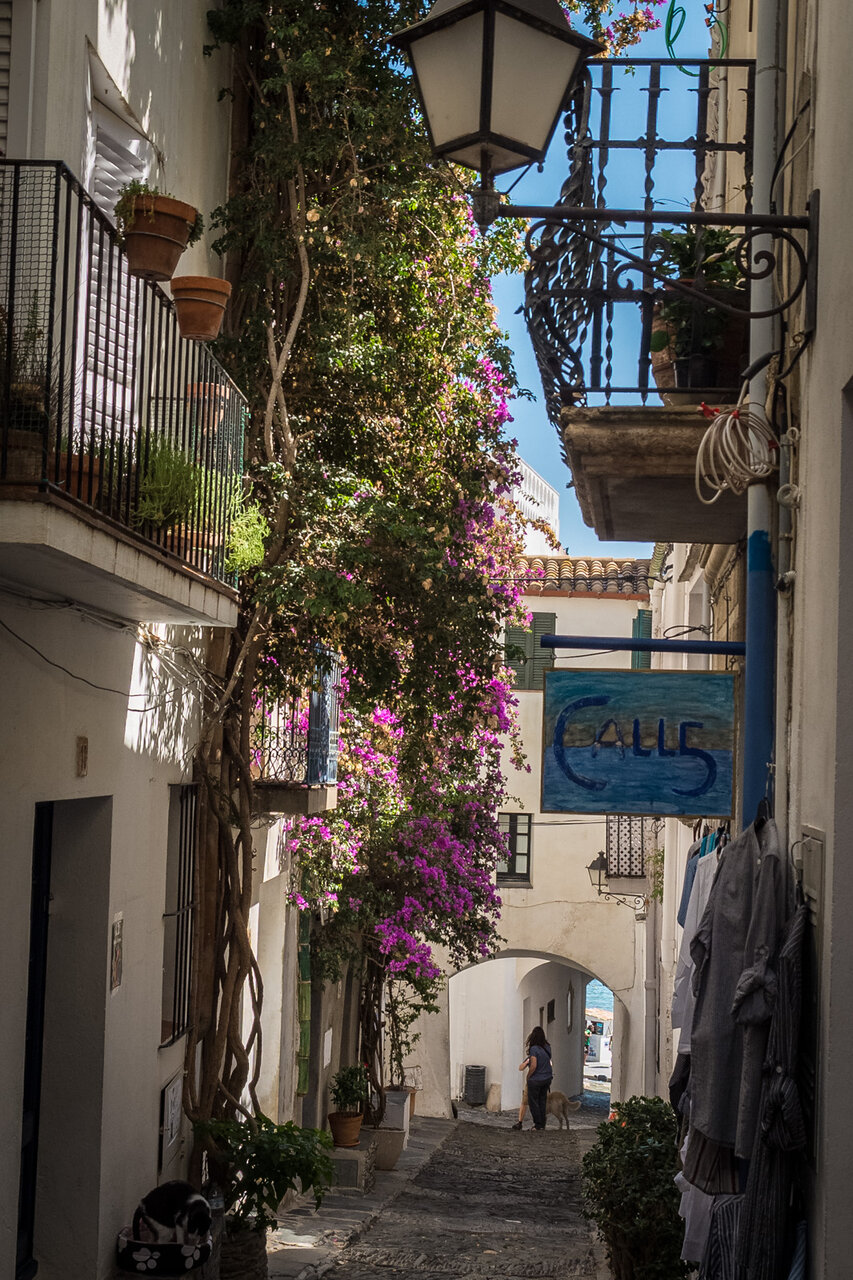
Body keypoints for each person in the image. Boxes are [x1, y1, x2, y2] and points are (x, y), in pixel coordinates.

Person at [517, 1026, 553, 1131]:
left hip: (536, 1079)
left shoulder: (534, 1049)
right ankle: (542, 1124)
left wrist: (528, 1076)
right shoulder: (547, 1047)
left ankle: (537, 1124)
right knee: (542, 1101)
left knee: (533, 1102)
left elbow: (533, 1065)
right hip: (547, 1078)